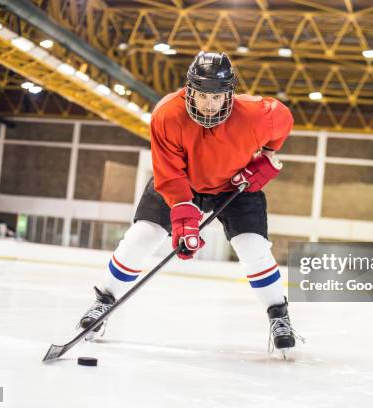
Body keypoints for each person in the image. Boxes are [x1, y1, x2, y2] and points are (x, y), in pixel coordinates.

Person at [78, 51, 303, 354]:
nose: (209, 105)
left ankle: (279, 315)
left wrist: (264, 159)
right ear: (189, 91)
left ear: (229, 94)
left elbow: (284, 121)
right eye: (202, 96)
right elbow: (169, 174)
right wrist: (185, 222)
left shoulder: (258, 115)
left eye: (217, 97)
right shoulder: (167, 115)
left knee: (254, 248)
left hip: (235, 185)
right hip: (182, 180)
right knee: (143, 236)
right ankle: (102, 303)